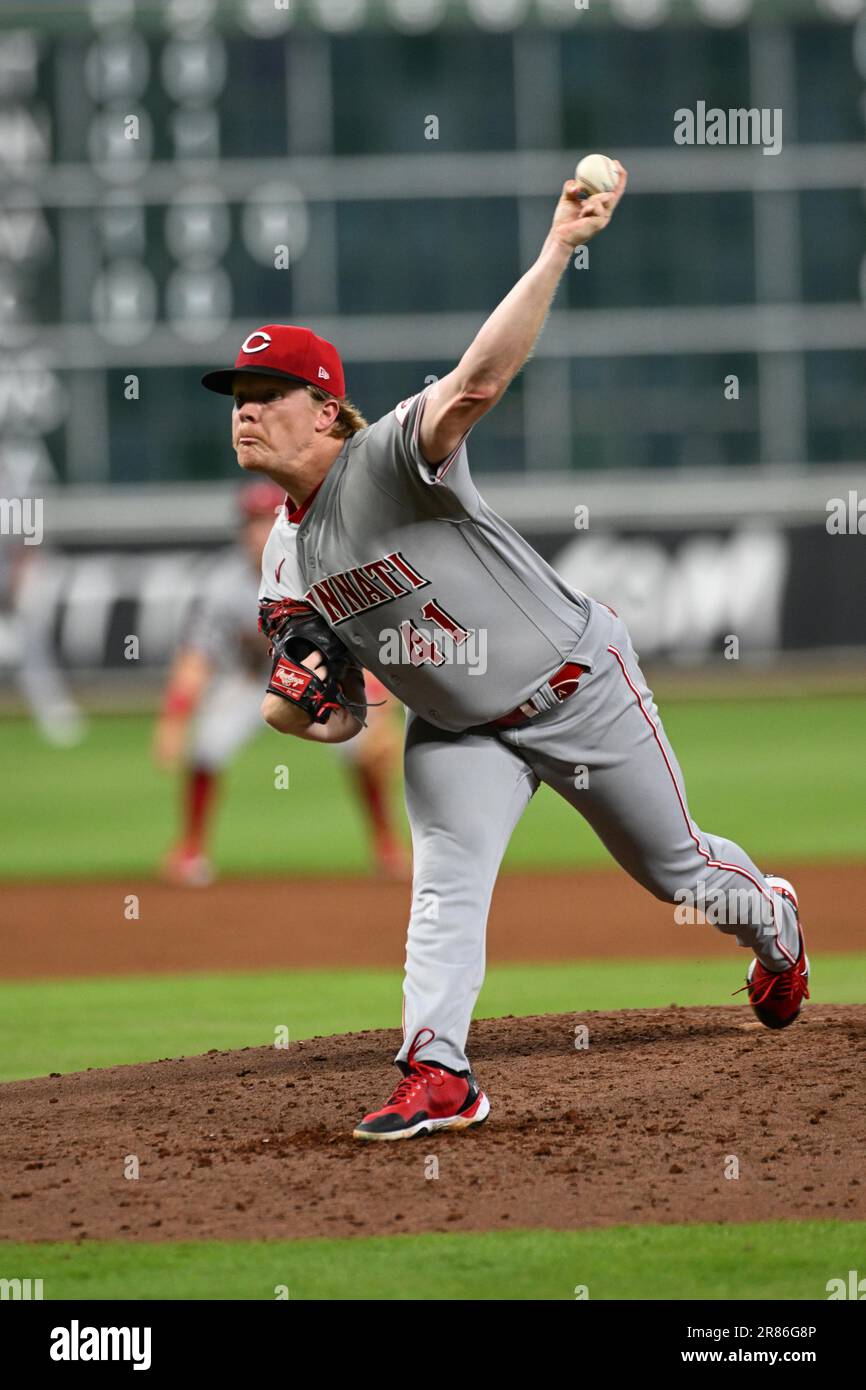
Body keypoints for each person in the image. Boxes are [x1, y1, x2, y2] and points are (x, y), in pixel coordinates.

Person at [200, 161, 809, 1141]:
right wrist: (309, 705)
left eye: (268, 391)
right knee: (441, 890)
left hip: (575, 687)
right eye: (236, 392)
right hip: (457, 735)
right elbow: (330, 708)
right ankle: (437, 1073)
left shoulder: (392, 454)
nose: (243, 407)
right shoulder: (284, 556)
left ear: (324, 410)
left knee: (679, 876)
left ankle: (774, 929)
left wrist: (557, 247)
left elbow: (479, 377)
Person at [153, 480, 408, 885]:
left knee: (363, 747)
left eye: (267, 521)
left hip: (320, 677)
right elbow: (195, 659)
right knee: (207, 745)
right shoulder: (221, 584)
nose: (258, 533)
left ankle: (386, 844)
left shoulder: (321, 570)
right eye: (251, 522)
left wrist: (381, 714)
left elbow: (365, 648)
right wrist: (174, 717)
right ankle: (190, 849)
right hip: (249, 679)